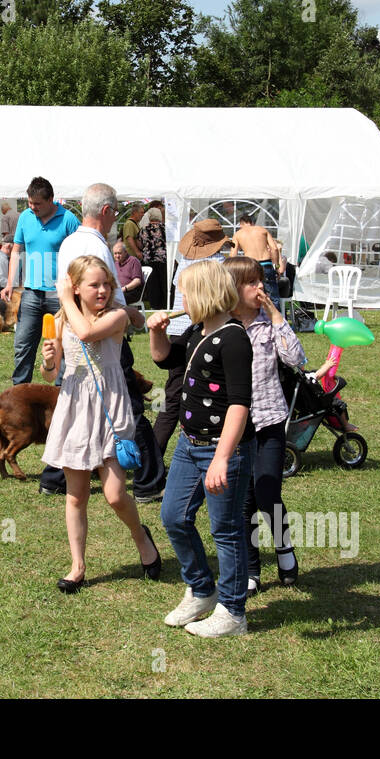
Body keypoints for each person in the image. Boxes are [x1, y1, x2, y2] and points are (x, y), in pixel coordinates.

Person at [40, 255, 160, 594]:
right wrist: (50, 363)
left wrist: (64, 296)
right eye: (95, 285)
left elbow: (89, 333)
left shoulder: (117, 317)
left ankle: (141, 536)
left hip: (110, 405)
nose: (103, 290)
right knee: (76, 496)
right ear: (79, 287)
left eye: (107, 284)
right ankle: (77, 565)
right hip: (75, 407)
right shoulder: (63, 321)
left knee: (115, 493)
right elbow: (51, 373)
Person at [148, 260, 255, 637]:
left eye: (186, 292)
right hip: (189, 445)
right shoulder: (196, 331)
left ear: (205, 294)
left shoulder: (234, 338)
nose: (182, 300)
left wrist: (223, 457)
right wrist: (156, 333)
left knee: (225, 530)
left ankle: (233, 613)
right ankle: (201, 590)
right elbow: (164, 359)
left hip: (224, 450)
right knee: (173, 516)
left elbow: (241, 403)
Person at [40, 183, 163, 503]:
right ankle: (149, 481)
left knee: (77, 401)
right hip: (99, 335)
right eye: (116, 212)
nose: (116, 218)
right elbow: (98, 299)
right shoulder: (95, 247)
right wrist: (128, 315)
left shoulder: (70, 242)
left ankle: (55, 476)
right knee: (130, 408)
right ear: (106, 211)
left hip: (80, 331)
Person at [225, 256, 306, 593]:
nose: (260, 287)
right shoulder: (223, 326)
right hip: (235, 425)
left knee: (268, 489)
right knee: (242, 498)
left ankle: (285, 549)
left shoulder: (268, 323)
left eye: (261, 281)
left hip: (269, 418)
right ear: (232, 289)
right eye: (251, 282)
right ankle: (251, 568)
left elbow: (297, 359)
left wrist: (275, 315)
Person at [154, 219, 234, 459]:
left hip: (178, 330)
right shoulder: (218, 266)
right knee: (179, 396)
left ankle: (155, 455)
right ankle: (154, 456)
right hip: (199, 332)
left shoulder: (185, 263)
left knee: (173, 393)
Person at [4, 176, 80, 385]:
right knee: (23, 345)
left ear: (51, 200)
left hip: (61, 295)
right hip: (31, 293)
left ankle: (61, 393)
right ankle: (20, 392)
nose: (32, 207)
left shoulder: (69, 219)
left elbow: (81, 254)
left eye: (37, 204)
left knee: (63, 346)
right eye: (30, 203)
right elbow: (17, 250)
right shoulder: (25, 218)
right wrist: (10, 282)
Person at [230, 213, 282, 311]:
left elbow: (233, 255)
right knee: (273, 297)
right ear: (252, 223)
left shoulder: (238, 234)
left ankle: (256, 322)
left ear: (241, 224)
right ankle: (277, 321)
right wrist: (276, 266)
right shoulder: (262, 230)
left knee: (252, 296)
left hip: (251, 266)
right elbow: (274, 249)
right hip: (266, 264)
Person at [137, 204, 167, 309]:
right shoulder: (164, 228)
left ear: (149, 217)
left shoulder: (143, 229)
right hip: (162, 259)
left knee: (152, 284)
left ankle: (155, 305)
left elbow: (139, 244)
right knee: (164, 283)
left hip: (148, 260)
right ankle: (165, 304)